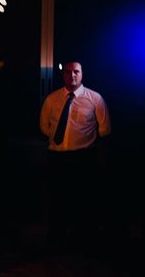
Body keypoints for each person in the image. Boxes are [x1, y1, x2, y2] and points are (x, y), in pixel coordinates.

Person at [39, 61, 111, 249]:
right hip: (57, 157)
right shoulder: (52, 99)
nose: (72, 75)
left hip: (83, 158)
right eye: (69, 72)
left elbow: (104, 129)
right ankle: (55, 243)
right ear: (63, 75)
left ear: (82, 74)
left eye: (76, 72)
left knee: (84, 202)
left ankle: (85, 244)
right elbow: (44, 126)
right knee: (56, 202)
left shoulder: (95, 98)